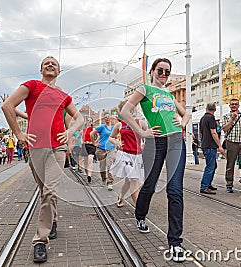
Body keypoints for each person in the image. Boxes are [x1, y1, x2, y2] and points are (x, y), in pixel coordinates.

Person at [1, 56, 84, 263]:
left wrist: (70, 131)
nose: (50, 65)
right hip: (36, 147)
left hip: (57, 146)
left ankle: (40, 240)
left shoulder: (63, 96)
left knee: (50, 190)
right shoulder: (32, 86)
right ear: (40, 69)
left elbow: (80, 118)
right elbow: (7, 106)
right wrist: (19, 134)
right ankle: (52, 219)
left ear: (59, 71)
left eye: (54, 63)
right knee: (43, 190)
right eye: (46, 62)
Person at [120, 58, 190, 262]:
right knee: (149, 185)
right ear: (152, 71)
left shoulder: (168, 94)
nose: (164, 74)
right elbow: (124, 111)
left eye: (168, 71)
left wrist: (182, 122)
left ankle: (175, 242)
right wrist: (142, 130)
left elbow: (186, 114)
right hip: (155, 142)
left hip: (176, 141)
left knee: (175, 189)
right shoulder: (144, 89)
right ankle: (140, 215)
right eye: (161, 70)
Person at [109, 99, 147, 207]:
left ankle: (120, 196)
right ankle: (139, 210)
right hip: (124, 155)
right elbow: (111, 138)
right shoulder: (119, 125)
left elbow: (150, 134)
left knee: (128, 180)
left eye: (130, 109)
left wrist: (145, 143)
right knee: (133, 180)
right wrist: (116, 141)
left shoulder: (141, 123)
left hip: (137, 156)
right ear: (121, 111)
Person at [199, 103, 224, 194]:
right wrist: (220, 146)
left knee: (213, 165)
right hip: (209, 145)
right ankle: (204, 186)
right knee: (210, 166)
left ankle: (208, 183)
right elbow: (213, 133)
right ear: (215, 110)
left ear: (206, 109)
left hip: (205, 144)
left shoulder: (202, 118)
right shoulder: (211, 118)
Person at [90, 112, 116, 190]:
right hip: (101, 149)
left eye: (108, 117)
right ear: (104, 119)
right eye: (105, 117)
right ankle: (103, 178)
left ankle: (110, 182)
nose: (107, 118)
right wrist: (94, 143)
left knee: (109, 165)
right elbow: (92, 133)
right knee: (102, 166)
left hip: (111, 148)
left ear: (111, 118)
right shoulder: (101, 127)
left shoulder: (114, 127)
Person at [82, 118, 96, 182]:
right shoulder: (84, 130)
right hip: (85, 145)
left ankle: (89, 175)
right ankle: (87, 173)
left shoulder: (93, 129)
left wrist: (95, 142)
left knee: (90, 159)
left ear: (91, 122)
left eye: (90, 121)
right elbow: (81, 137)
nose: (89, 122)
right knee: (85, 161)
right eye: (88, 120)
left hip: (92, 146)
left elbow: (98, 136)